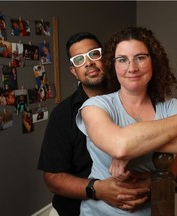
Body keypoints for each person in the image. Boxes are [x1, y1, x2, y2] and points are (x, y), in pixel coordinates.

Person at [76, 26, 177, 215]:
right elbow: (120, 146)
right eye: (122, 60)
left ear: (153, 62)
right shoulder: (95, 106)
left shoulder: (170, 106)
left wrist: (132, 147)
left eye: (140, 57)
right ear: (112, 65)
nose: (132, 68)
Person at [37, 32, 152, 216]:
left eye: (94, 54)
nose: (88, 62)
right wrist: (96, 189)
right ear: (74, 71)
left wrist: (154, 179)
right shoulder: (63, 114)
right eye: (79, 59)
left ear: (106, 58)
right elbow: (52, 178)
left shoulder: (136, 97)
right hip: (79, 209)